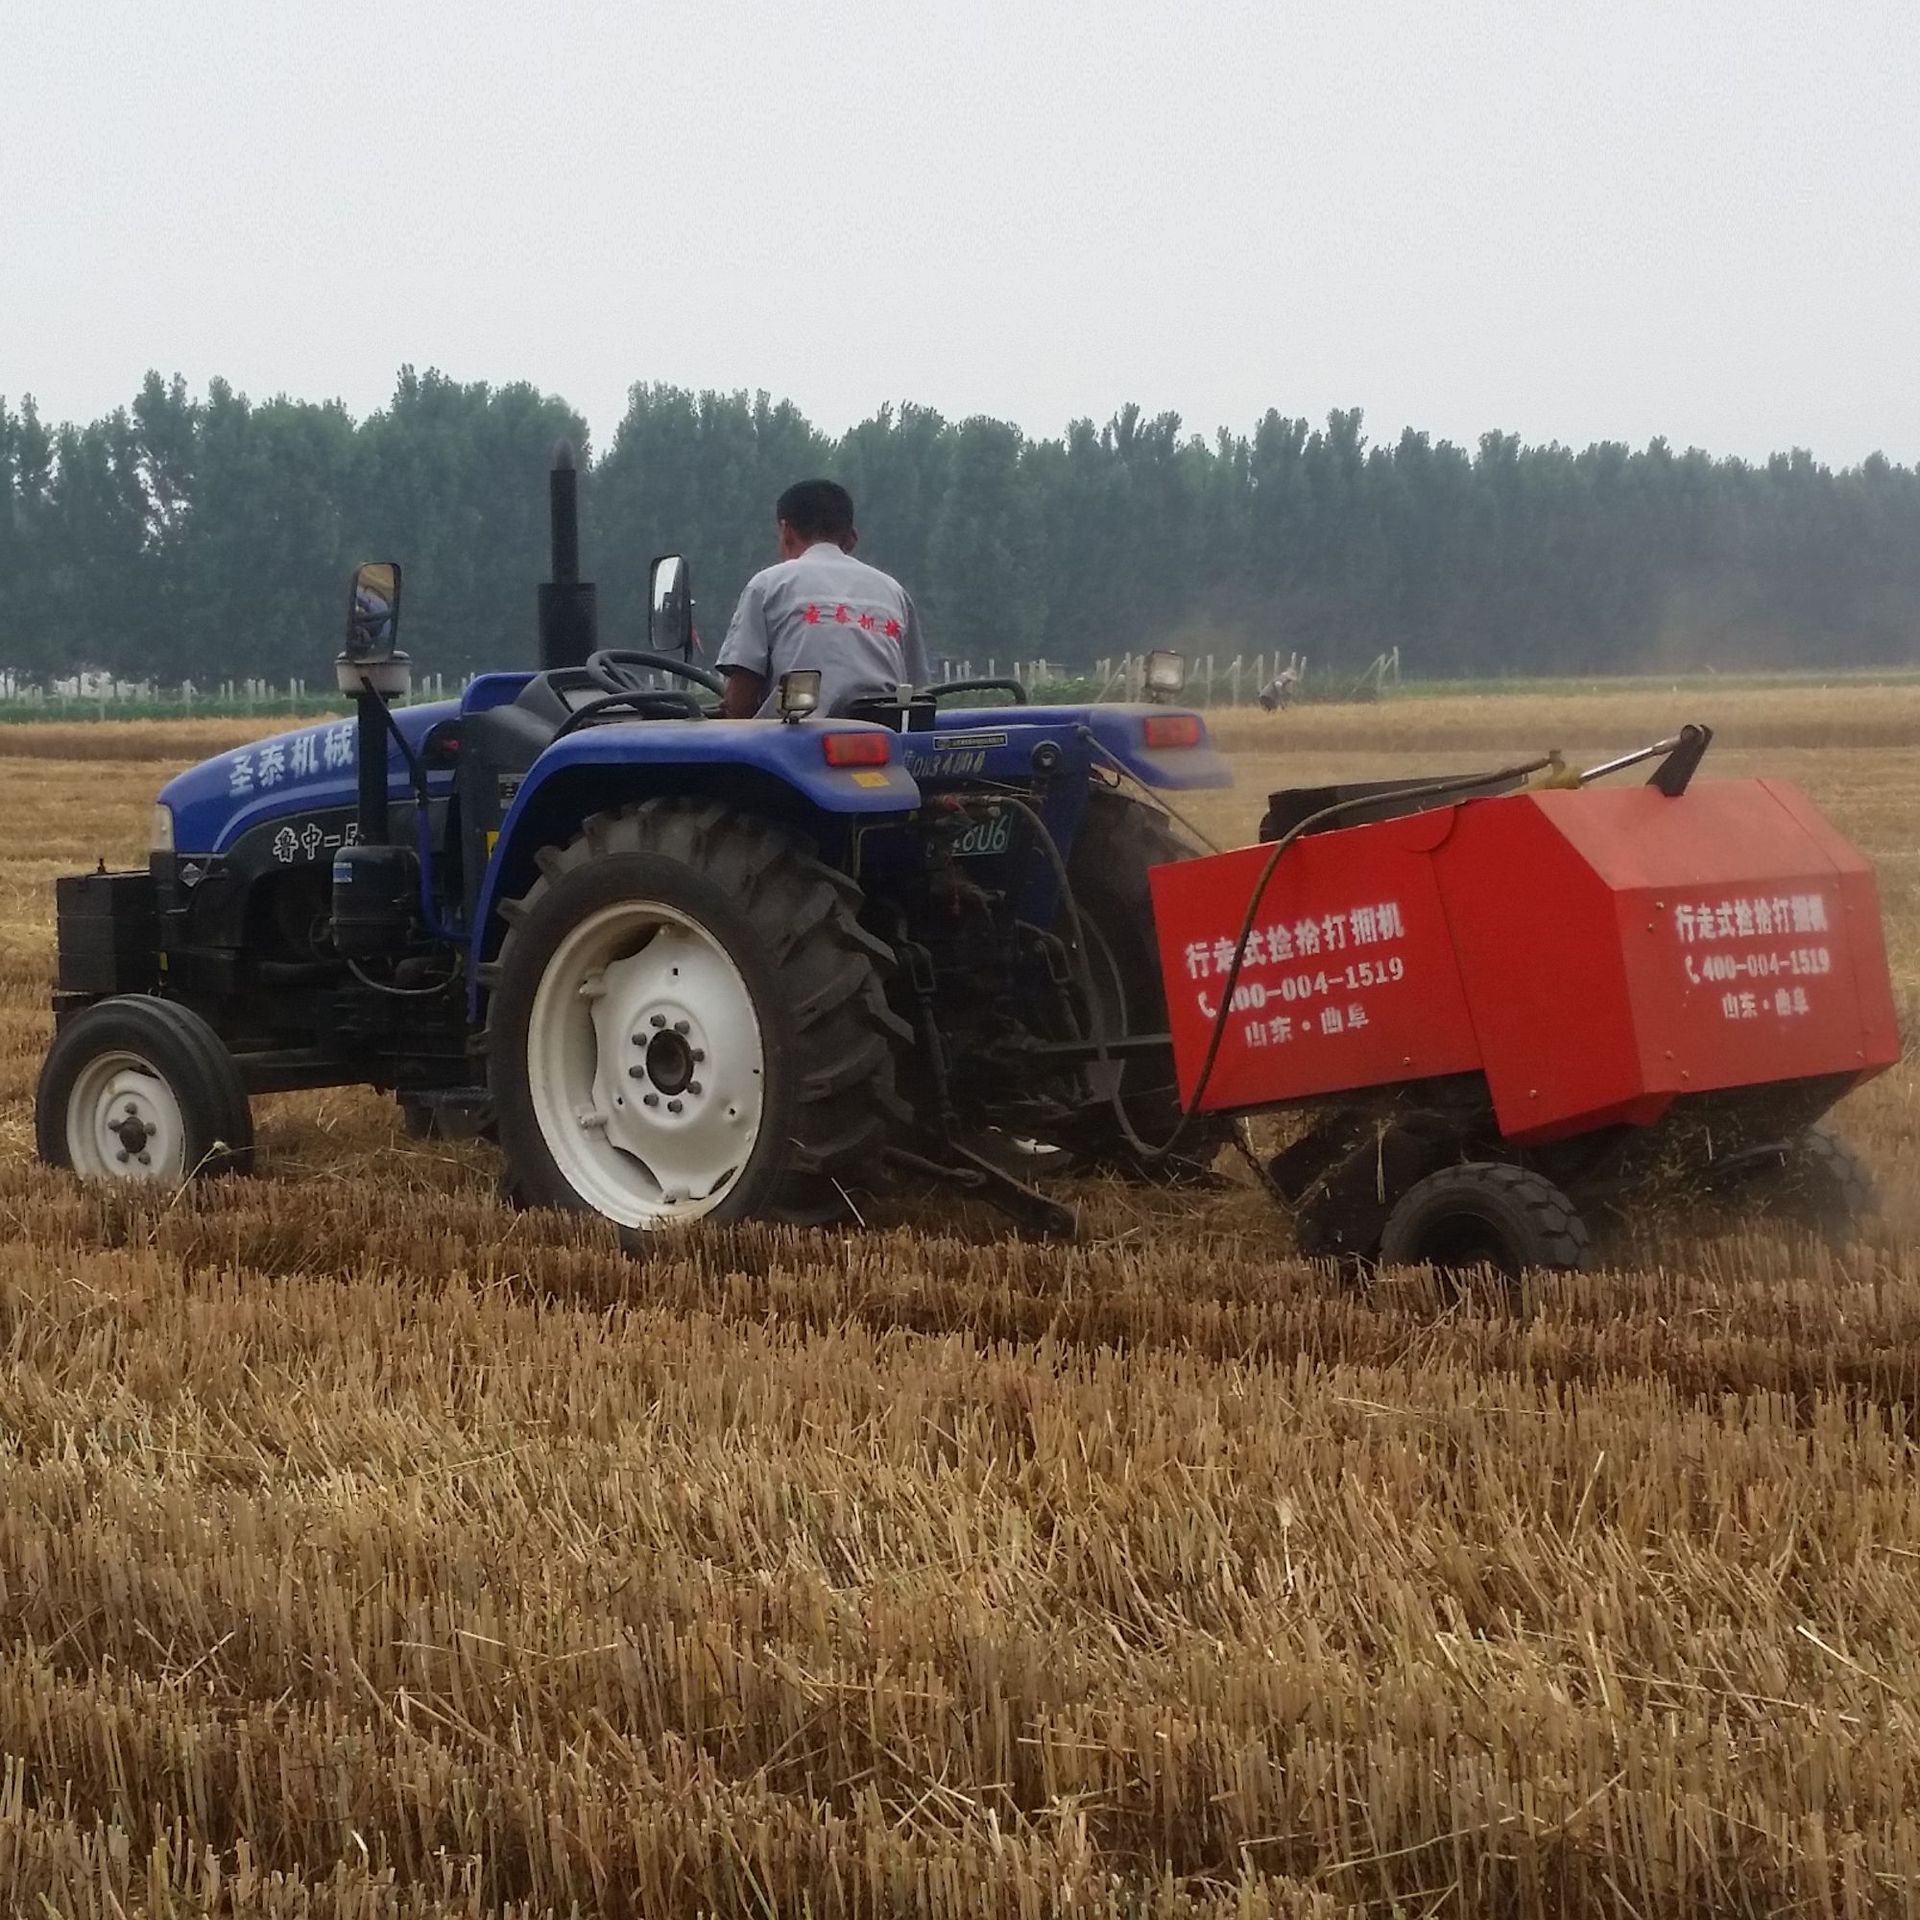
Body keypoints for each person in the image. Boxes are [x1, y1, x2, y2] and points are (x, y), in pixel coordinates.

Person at [717, 480, 931, 718]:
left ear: (786, 531)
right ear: (851, 539)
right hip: (884, 742)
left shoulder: (769, 585)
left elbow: (741, 697)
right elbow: (915, 690)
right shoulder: (893, 592)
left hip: (791, 747)